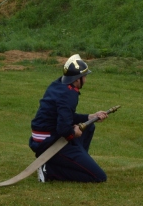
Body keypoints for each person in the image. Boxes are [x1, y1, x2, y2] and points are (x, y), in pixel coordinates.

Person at [29, 54, 109, 183]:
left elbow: (65, 117)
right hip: (48, 142)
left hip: (40, 138)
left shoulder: (58, 84)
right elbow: (64, 129)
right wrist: (74, 133)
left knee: (89, 126)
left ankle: (76, 161)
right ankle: (49, 169)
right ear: (77, 79)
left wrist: (90, 117)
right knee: (99, 177)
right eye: (85, 76)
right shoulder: (69, 94)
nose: (86, 80)